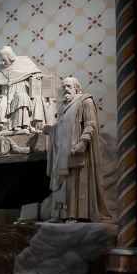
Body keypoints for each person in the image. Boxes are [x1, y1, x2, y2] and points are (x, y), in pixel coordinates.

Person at [43, 77, 112, 222]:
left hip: (76, 150)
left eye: (69, 86)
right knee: (62, 184)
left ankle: (74, 214)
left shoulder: (85, 101)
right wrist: (50, 129)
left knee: (74, 183)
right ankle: (60, 215)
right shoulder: (63, 107)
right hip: (61, 152)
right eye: (63, 87)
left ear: (77, 88)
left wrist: (82, 142)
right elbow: (61, 128)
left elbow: (90, 124)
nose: (66, 89)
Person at [0, 46, 55, 137]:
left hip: (20, 94)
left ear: (10, 57)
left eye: (4, 59)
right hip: (4, 98)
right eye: (1, 60)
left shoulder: (24, 62)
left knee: (20, 98)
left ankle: (19, 127)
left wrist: (37, 76)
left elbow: (36, 74)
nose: (2, 62)